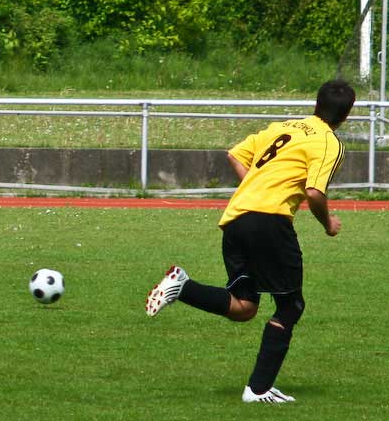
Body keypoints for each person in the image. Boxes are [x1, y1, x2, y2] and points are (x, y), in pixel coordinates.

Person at [144, 78, 356, 404]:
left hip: (236, 219)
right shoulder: (329, 142)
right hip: (269, 222)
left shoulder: (283, 127)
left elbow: (235, 154)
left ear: (316, 104)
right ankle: (258, 390)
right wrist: (328, 223)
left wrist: (258, 188)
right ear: (346, 115)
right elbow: (314, 192)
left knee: (244, 306)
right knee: (291, 306)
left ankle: (182, 286)